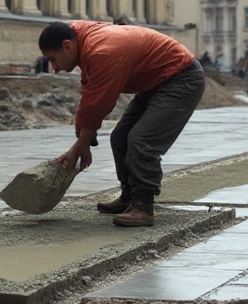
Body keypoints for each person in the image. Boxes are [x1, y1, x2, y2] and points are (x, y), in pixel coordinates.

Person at [39, 20, 204, 227]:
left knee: (141, 141)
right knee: (120, 137)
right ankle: (129, 196)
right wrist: (84, 140)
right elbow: (90, 93)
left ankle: (143, 206)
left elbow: (99, 103)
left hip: (181, 78)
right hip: (155, 81)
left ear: (68, 46)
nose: (54, 68)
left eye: (53, 60)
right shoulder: (76, 34)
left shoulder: (102, 52)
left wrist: (81, 145)